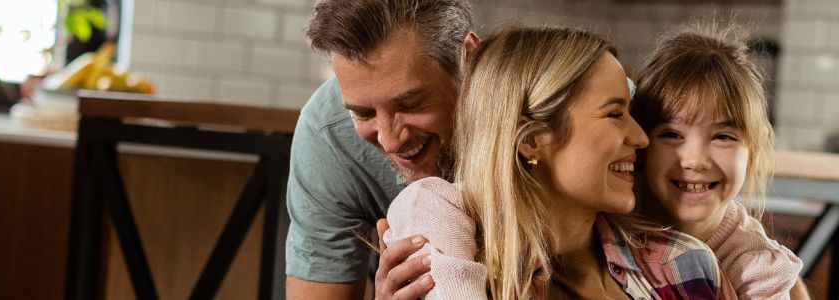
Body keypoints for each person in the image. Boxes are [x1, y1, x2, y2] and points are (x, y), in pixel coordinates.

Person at [381, 25, 725, 299]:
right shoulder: (455, 265)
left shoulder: (685, 265)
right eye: (614, 114)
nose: (641, 137)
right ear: (531, 141)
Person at [286, 0, 475, 298]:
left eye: (410, 103)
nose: (390, 141)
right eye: (363, 114)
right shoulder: (329, 136)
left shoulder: (534, 109)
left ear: (469, 58)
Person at [630, 24, 807, 299]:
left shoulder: (757, 270)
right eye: (672, 134)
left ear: (753, 150)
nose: (695, 161)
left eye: (723, 137)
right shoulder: (611, 210)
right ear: (641, 143)